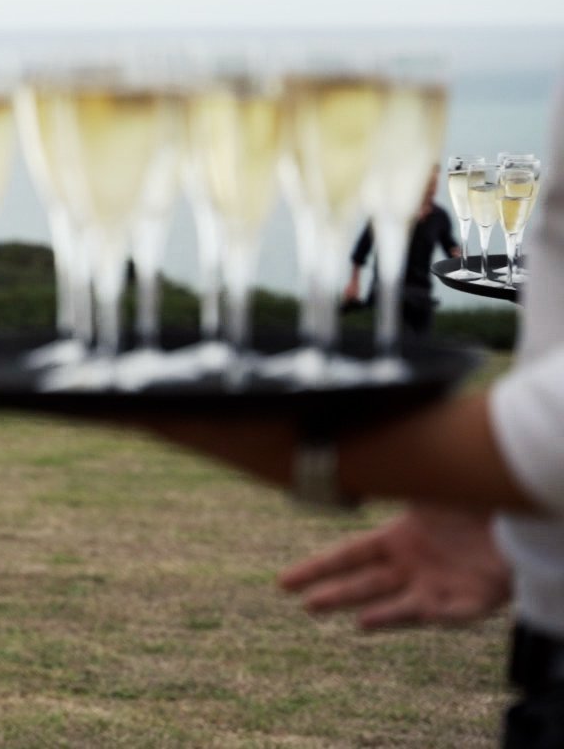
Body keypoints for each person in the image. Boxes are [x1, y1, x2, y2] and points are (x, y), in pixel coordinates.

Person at [136, 81, 562, 746]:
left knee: (411, 355)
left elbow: (460, 261)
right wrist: (525, 527)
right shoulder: (381, 215)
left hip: (419, 301)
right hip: (546, 631)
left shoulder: (438, 220)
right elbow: (362, 258)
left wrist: (320, 449)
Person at [342, 166, 460, 333]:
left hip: (420, 294)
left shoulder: (440, 217)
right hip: (386, 290)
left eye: (435, 183)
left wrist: (460, 257)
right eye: (428, 183)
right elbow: (362, 249)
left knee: (420, 349)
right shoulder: (388, 209)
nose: (432, 188)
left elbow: (451, 249)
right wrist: (353, 283)